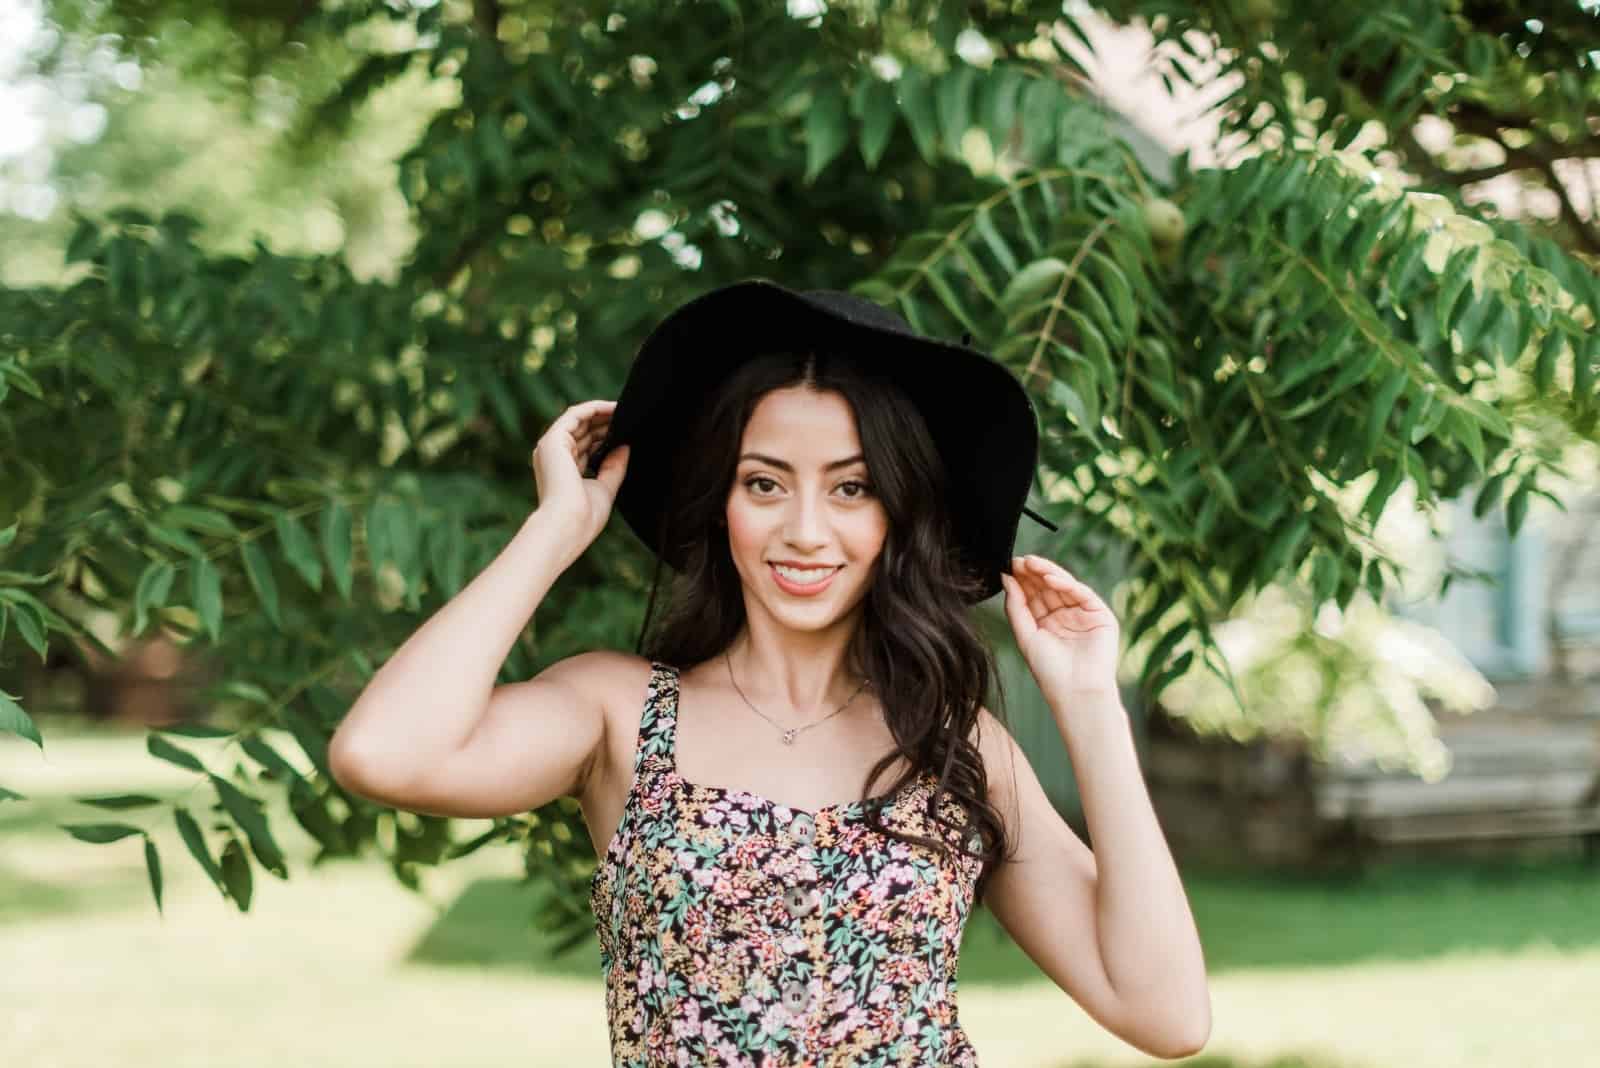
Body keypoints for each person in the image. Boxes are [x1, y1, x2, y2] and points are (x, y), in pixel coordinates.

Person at [329, 279, 1211, 1066]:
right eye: (764, 484)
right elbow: (382, 754)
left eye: (851, 489)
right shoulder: (618, 711)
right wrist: (557, 530)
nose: (804, 531)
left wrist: (1090, 700)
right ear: (721, 502)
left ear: (899, 517)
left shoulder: (949, 747)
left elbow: (1166, 1016)